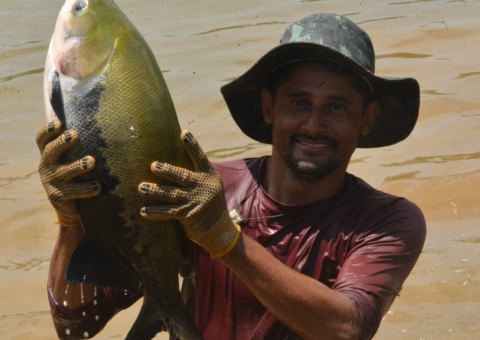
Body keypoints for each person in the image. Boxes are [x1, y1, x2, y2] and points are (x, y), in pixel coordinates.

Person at [36, 13, 426, 340]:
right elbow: (76, 323)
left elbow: (347, 327)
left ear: (367, 119)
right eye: (299, 102)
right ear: (269, 107)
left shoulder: (388, 222)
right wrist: (72, 221)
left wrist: (223, 237)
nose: (313, 124)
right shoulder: (200, 190)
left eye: (336, 107)